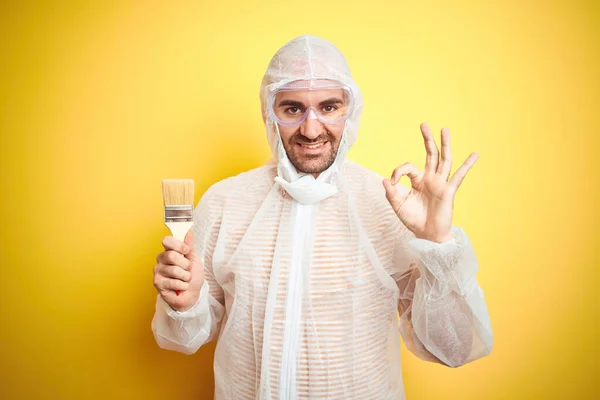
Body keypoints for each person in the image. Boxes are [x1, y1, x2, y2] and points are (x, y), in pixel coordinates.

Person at [151, 35, 493, 399]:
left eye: (329, 107)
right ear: (270, 112)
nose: (312, 130)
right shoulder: (224, 203)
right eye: (293, 109)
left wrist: (437, 244)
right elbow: (185, 339)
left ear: (351, 109)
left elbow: (453, 348)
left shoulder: (391, 207)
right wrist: (185, 304)